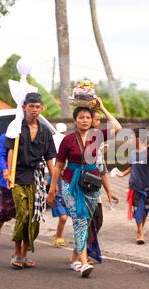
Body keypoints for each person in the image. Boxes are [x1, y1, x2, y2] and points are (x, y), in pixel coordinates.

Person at [47, 98, 121, 277]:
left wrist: (102, 107)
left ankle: (74, 258)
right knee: (80, 219)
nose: (85, 120)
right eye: (81, 117)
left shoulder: (98, 135)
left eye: (87, 117)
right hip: (70, 184)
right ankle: (84, 262)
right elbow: (58, 165)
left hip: (92, 184)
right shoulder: (67, 140)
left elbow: (118, 128)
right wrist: (52, 188)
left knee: (86, 221)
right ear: (74, 121)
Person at [4, 92, 57, 270]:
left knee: (34, 218)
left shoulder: (46, 132)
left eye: (37, 107)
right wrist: (9, 173)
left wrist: (53, 183)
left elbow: (50, 159)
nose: (34, 110)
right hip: (18, 177)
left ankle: (25, 255)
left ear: (41, 109)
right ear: (24, 107)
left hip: (36, 179)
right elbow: (10, 151)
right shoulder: (16, 128)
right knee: (23, 214)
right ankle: (17, 252)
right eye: (31, 107)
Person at [87, 110, 119, 264]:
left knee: (98, 220)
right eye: (96, 119)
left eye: (100, 120)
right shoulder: (79, 139)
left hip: (94, 188)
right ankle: (82, 254)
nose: (98, 122)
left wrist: (103, 108)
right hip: (80, 188)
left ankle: (84, 249)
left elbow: (102, 171)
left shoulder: (98, 140)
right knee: (86, 221)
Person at [117, 128, 149, 245]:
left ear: (138, 139)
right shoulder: (133, 153)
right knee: (137, 211)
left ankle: (141, 229)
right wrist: (122, 174)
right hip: (135, 186)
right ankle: (140, 232)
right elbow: (131, 167)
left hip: (147, 186)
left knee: (145, 210)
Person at [46, 174, 68, 248]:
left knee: (63, 219)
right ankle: (59, 237)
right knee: (63, 217)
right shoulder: (55, 174)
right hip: (58, 199)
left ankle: (58, 235)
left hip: (68, 199)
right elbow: (47, 181)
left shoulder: (70, 174)